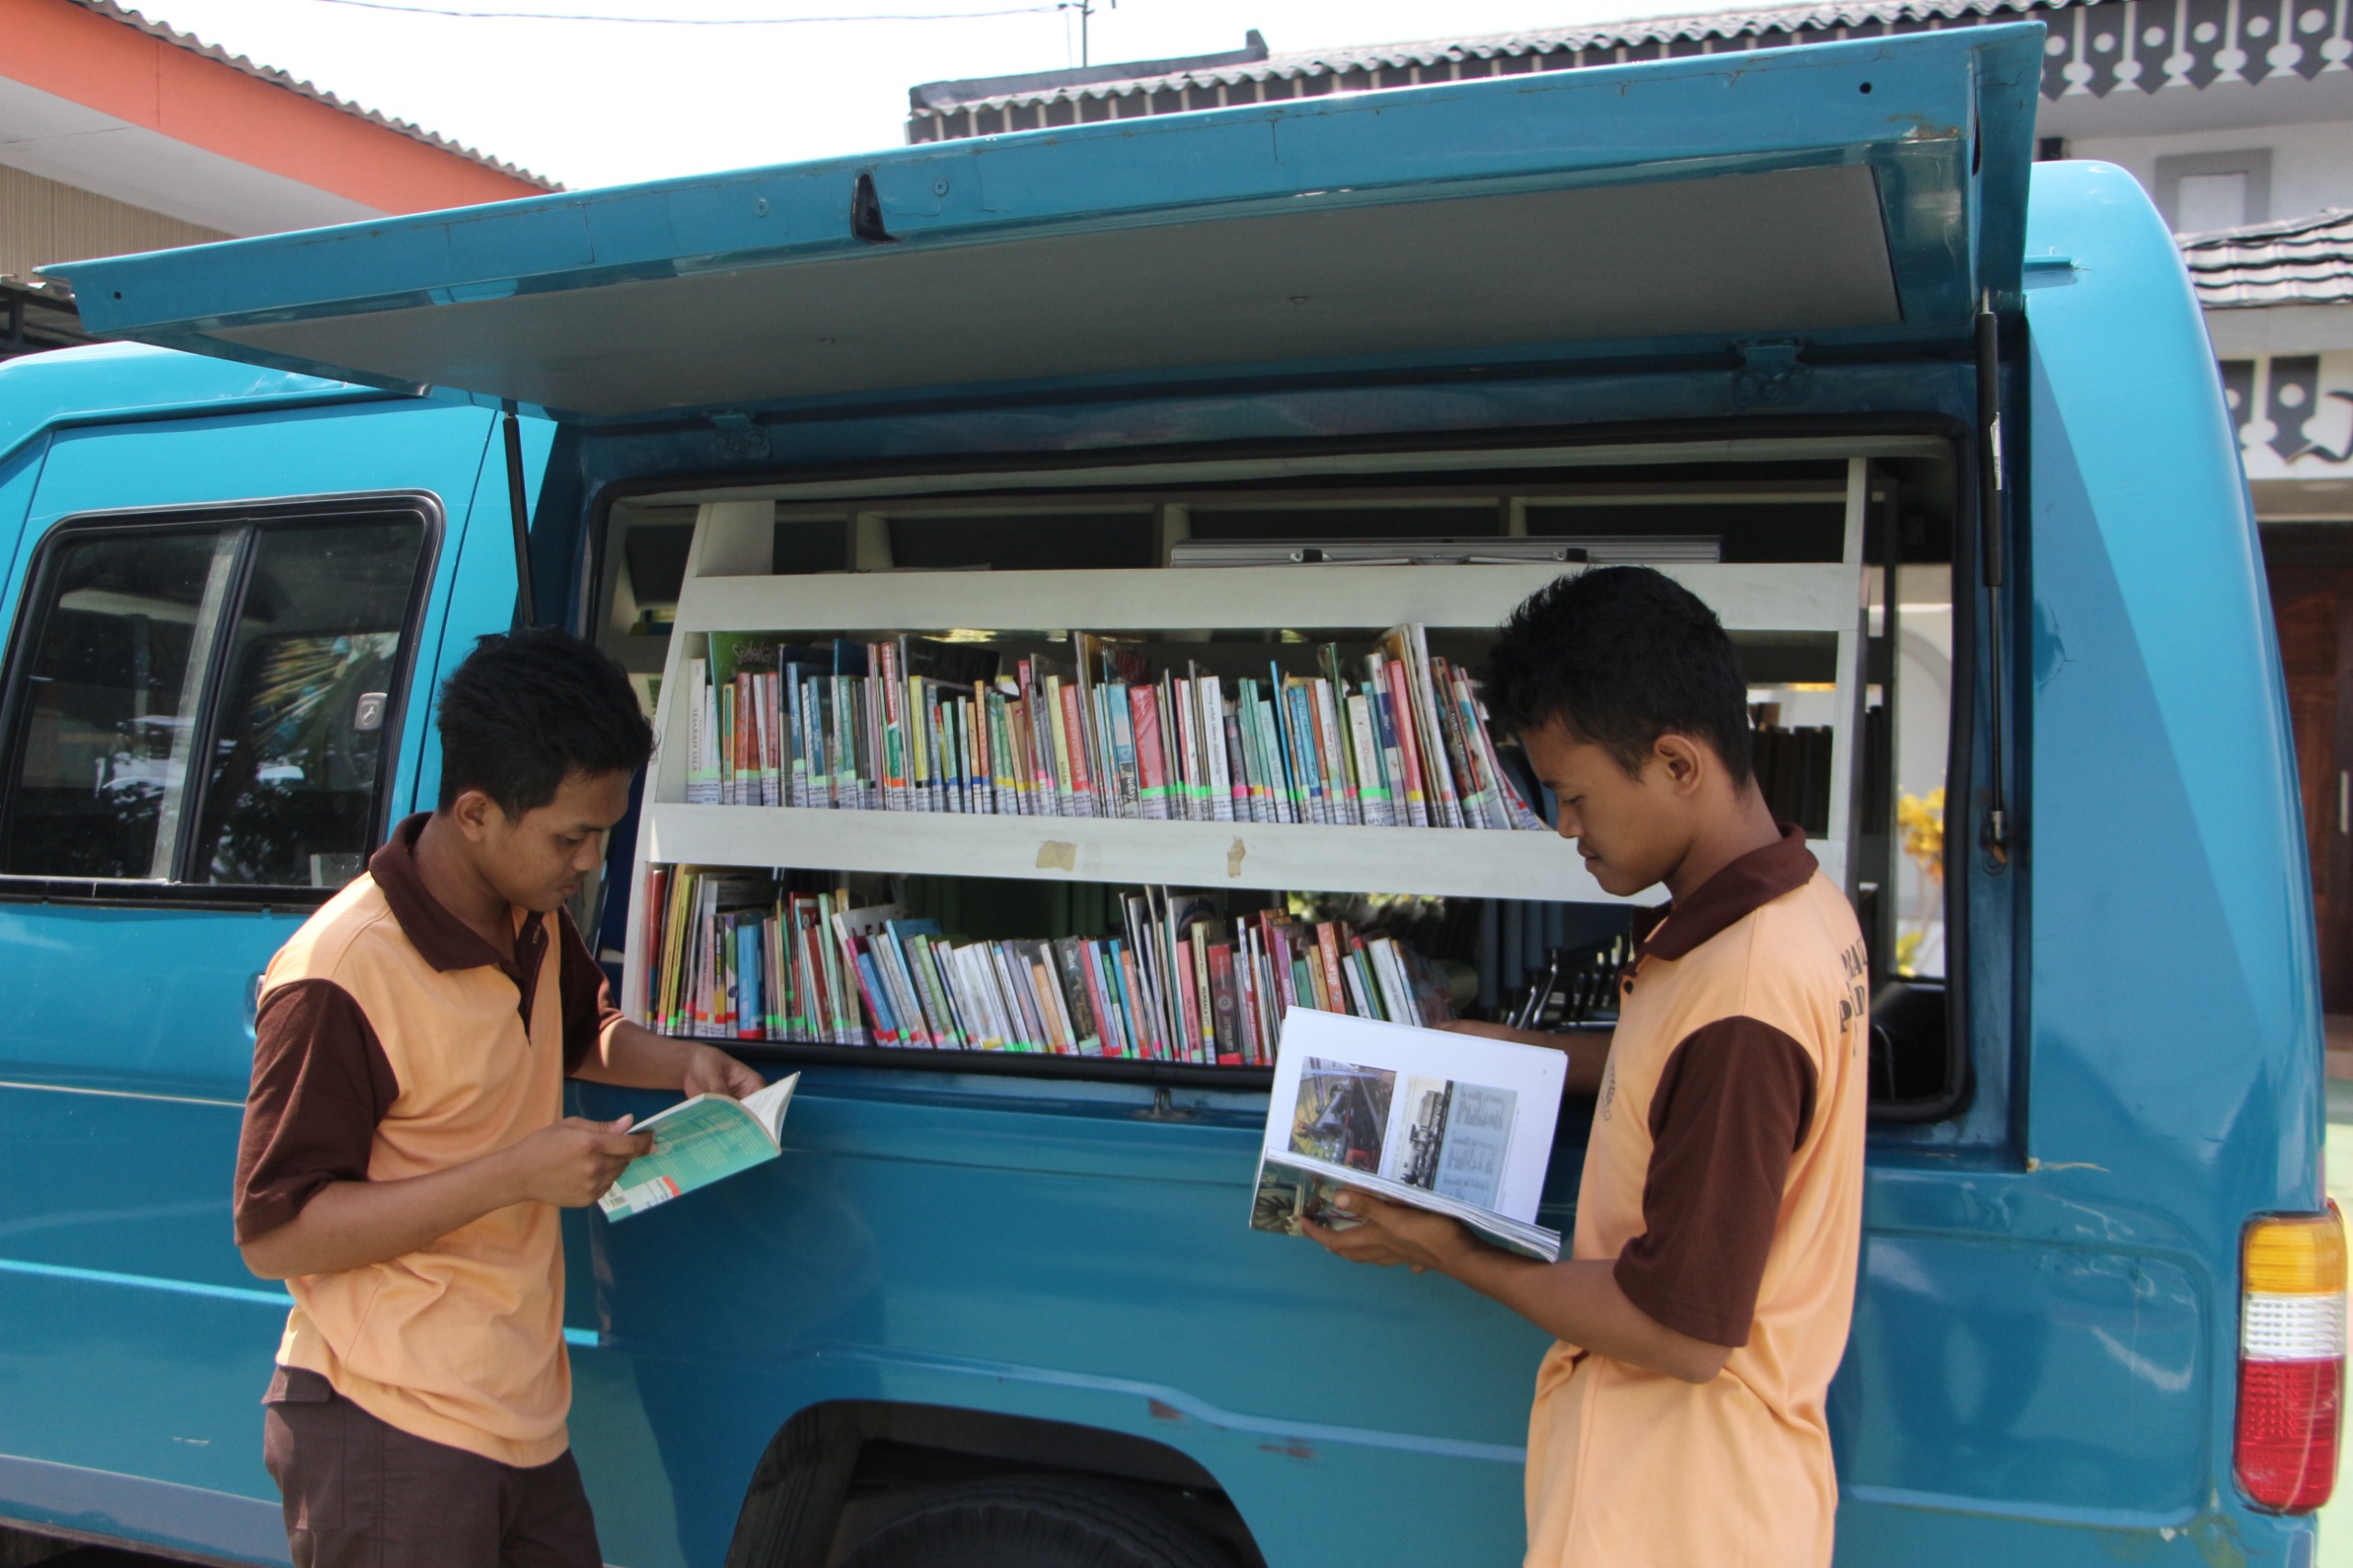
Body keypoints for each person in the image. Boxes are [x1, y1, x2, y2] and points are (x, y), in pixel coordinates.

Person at [1306, 565, 1870, 1568]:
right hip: (1716, 1495)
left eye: (1572, 795)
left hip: (1673, 1513)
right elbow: (1703, 1076)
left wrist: (1447, 1248)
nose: (1563, 827)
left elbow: (1681, 1332)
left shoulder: (1744, 987)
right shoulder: (1795, 914)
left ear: (1676, 762)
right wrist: (1537, 1055)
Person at [232, 628, 764, 1568]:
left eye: (603, 830)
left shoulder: (533, 913)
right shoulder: (339, 973)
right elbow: (278, 1231)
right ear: (475, 811)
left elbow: (577, 1030)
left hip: (520, 1416)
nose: (592, 860)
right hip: (387, 1421)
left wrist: (680, 1063)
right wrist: (515, 1172)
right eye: (573, 835)